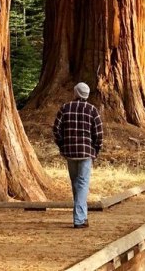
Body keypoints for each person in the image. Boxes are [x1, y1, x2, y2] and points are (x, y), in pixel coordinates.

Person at [53, 82, 103, 228]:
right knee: (82, 184)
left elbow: (56, 129)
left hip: (70, 153)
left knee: (77, 184)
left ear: (76, 93)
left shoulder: (65, 108)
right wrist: (95, 150)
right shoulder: (92, 110)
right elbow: (98, 134)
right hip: (86, 153)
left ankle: (82, 215)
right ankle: (79, 219)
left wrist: (62, 145)